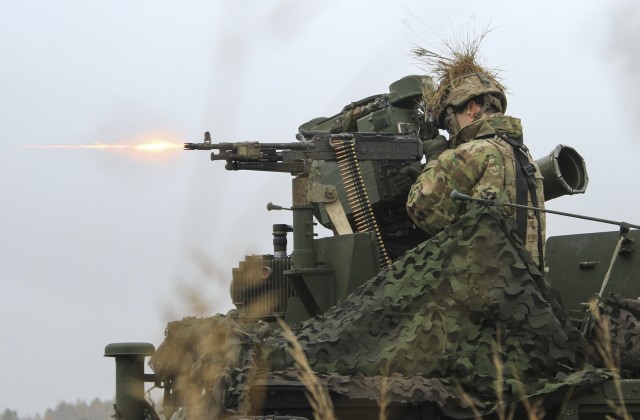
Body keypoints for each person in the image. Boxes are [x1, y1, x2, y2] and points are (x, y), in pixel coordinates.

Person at [406, 66, 546, 270]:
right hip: (524, 291)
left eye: (449, 121)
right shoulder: (526, 160)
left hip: (482, 290)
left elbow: (420, 208)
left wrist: (435, 158)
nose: (451, 133)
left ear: (471, 108)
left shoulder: (474, 152)